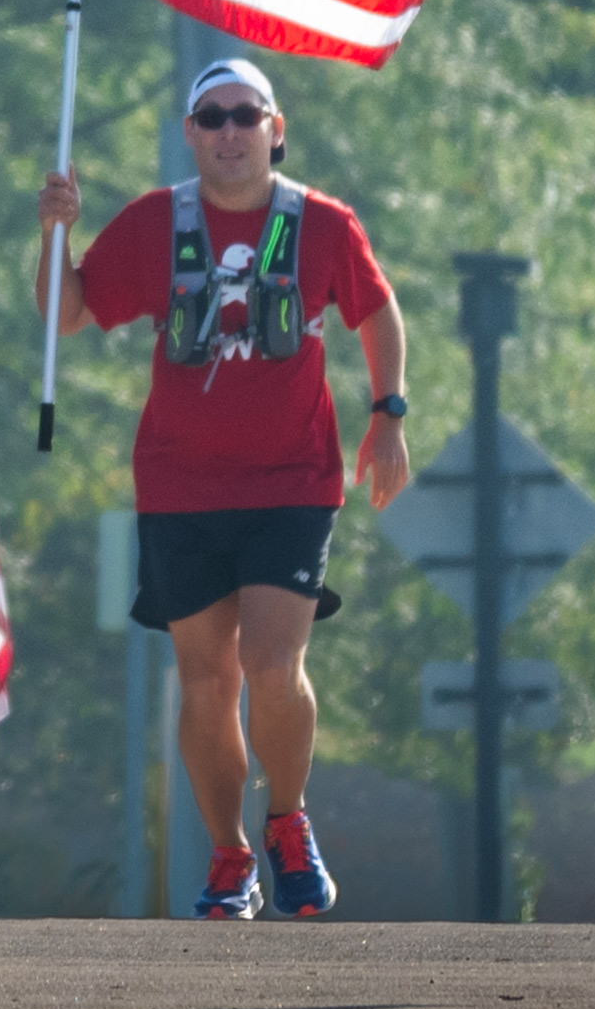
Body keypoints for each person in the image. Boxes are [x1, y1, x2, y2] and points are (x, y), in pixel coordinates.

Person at [35, 56, 408, 919]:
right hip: (181, 485)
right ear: (191, 132)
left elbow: (377, 309)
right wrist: (55, 233)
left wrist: (387, 413)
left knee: (273, 668)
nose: (231, 132)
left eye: (247, 116)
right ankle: (230, 856)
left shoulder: (320, 223)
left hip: (294, 481)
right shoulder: (154, 223)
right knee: (207, 684)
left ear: (276, 129)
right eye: (213, 118)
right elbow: (69, 313)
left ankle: (286, 822)